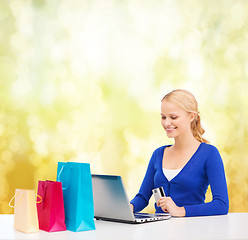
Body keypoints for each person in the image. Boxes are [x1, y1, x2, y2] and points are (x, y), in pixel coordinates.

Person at [130, 89, 229, 217]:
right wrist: (128, 207)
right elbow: (143, 197)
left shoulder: (209, 154)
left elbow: (221, 204)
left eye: (173, 117)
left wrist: (180, 210)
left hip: (192, 230)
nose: (166, 123)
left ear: (191, 116)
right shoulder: (158, 154)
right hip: (159, 231)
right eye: (163, 117)